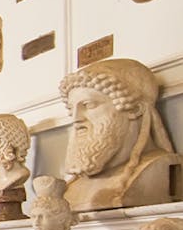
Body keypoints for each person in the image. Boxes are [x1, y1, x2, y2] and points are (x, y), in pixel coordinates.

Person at [59, 58, 182, 211]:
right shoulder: (73, 185)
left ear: (135, 110)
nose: (76, 119)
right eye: (72, 110)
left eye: (89, 105)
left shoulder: (157, 166)